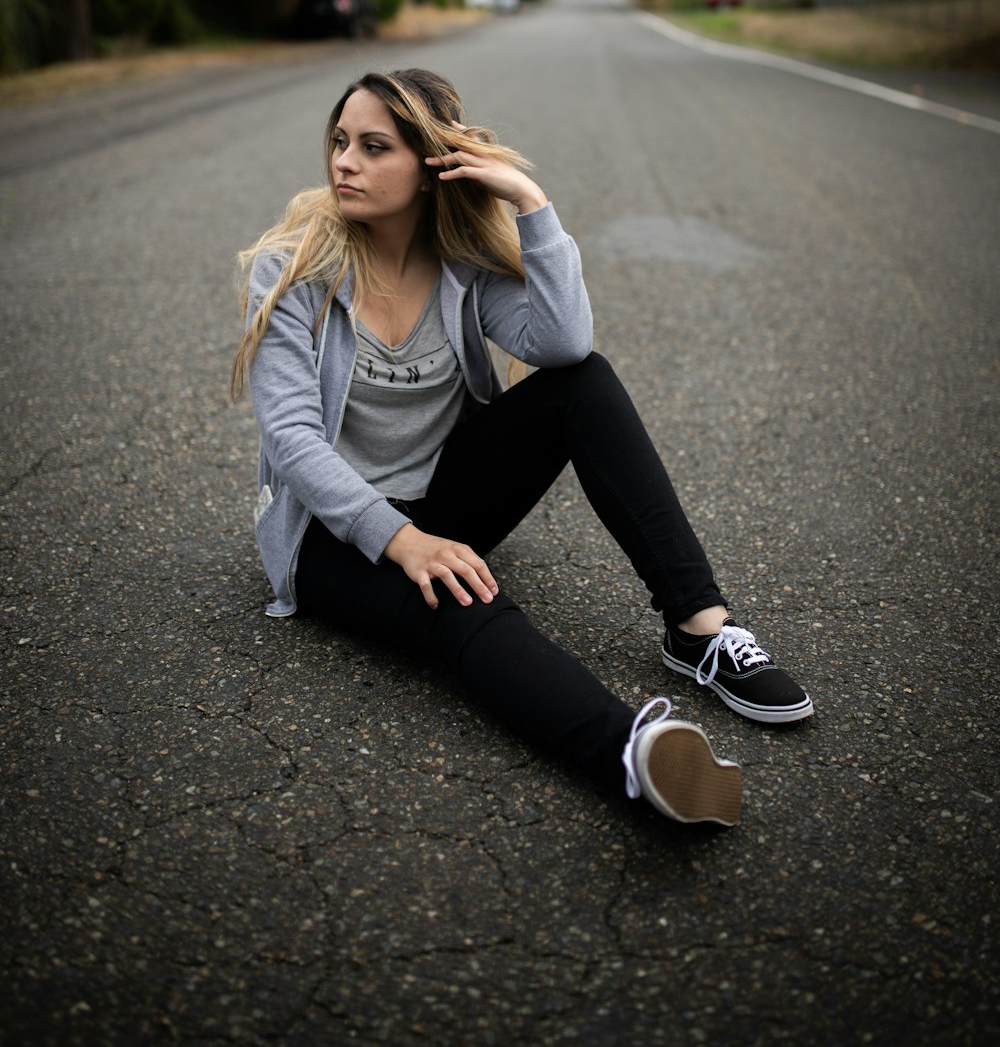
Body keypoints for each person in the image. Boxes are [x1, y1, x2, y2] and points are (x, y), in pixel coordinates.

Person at [232, 67, 812, 828]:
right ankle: (635, 754)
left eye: (374, 147)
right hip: (334, 532)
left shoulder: (462, 268)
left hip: (444, 501)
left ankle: (698, 627)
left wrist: (533, 205)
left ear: (434, 166)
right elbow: (293, 439)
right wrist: (400, 540)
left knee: (587, 384)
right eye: (340, 142)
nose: (344, 162)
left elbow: (565, 344)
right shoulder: (294, 268)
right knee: (466, 607)